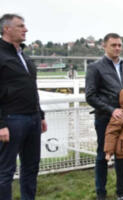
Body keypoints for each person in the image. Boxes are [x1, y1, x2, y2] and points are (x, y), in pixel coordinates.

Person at [0, 14, 48, 200]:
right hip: (11, 120)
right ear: (6, 29)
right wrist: (1, 123)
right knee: (5, 171)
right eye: (20, 26)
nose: (25, 29)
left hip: (33, 118)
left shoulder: (25, 56)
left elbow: (31, 88)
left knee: (31, 167)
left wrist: (41, 115)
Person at [85, 33, 123, 199]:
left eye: (119, 45)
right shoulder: (95, 67)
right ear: (104, 46)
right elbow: (90, 96)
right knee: (103, 155)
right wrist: (111, 110)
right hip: (105, 118)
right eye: (113, 45)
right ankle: (101, 191)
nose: (117, 48)